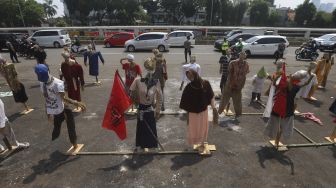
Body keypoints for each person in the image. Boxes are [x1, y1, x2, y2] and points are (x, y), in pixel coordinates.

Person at [34, 64, 86, 150]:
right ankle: (74, 143)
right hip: (61, 109)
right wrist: (77, 103)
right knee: (70, 127)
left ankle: (60, 138)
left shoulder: (43, 84)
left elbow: (47, 99)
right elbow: (63, 98)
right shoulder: (56, 83)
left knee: (60, 126)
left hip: (56, 110)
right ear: (48, 71)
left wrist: (48, 112)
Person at [264, 68, 314, 148]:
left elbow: (274, 83)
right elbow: (306, 83)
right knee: (284, 125)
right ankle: (277, 140)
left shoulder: (286, 84)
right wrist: (310, 77)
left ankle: (275, 138)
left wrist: (279, 76)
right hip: (288, 108)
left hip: (279, 106)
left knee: (276, 123)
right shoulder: (296, 86)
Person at [179, 69, 217, 155]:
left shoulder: (205, 83)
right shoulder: (189, 87)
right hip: (193, 113)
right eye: (188, 77)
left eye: (191, 76)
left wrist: (213, 107)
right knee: (194, 128)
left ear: (195, 74)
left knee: (203, 128)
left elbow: (211, 95)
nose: (190, 78)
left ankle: (203, 142)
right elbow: (184, 100)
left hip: (203, 111)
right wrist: (188, 110)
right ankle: (198, 142)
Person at [129, 58, 162, 151]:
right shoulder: (138, 80)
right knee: (142, 129)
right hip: (141, 108)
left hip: (150, 109)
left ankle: (150, 144)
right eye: (148, 69)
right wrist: (135, 103)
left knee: (151, 129)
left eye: (151, 70)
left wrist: (158, 111)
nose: (150, 72)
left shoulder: (156, 82)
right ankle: (142, 145)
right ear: (145, 68)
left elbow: (160, 97)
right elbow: (131, 92)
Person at [218, 52, 249, 118]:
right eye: (241, 55)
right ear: (239, 55)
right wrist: (229, 83)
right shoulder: (233, 63)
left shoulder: (246, 64)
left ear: (245, 57)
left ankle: (238, 113)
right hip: (229, 84)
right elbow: (229, 73)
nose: (242, 57)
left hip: (238, 85)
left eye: (244, 55)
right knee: (224, 99)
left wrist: (241, 85)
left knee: (237, 101)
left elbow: (245, 75)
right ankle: (219, 112)